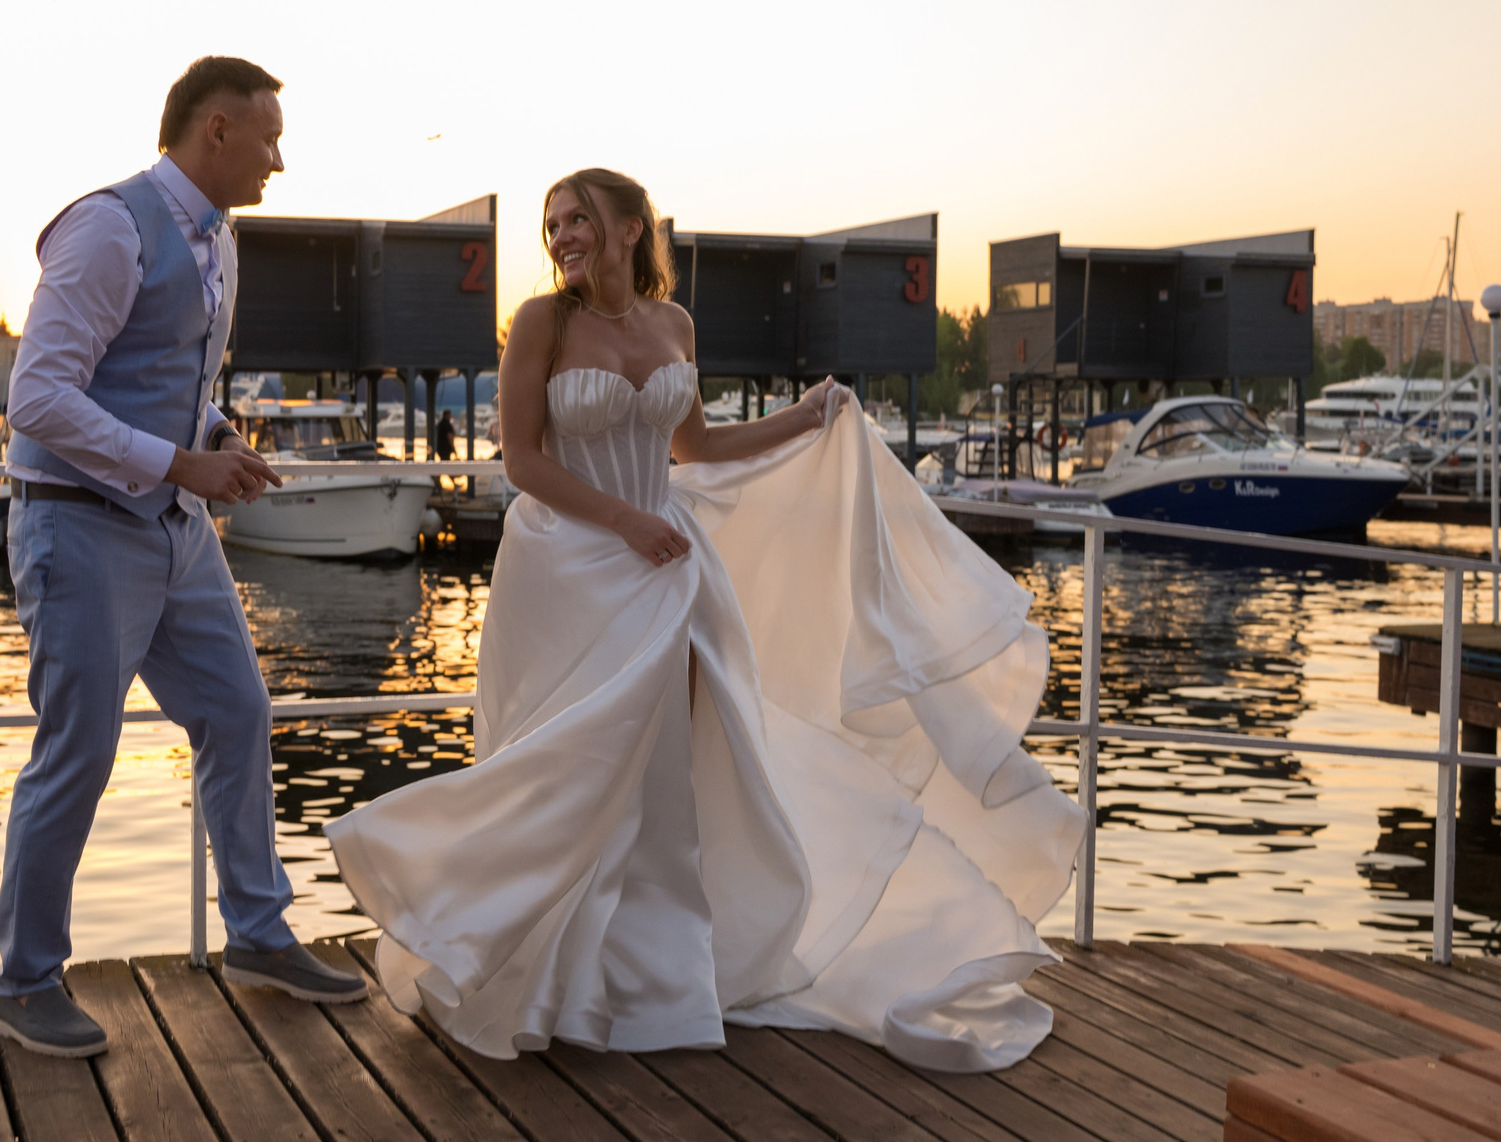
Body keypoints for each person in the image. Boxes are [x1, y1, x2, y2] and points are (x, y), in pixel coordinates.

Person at [325, 169, 1083, 1071]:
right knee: (574, 762)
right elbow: (523, 459)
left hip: (669, 563)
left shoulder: (674, 326)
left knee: (673, 766)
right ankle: (515, 947)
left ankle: (654, 982)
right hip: (569, 566)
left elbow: (697, 447)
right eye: (551, 223)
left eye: (578, 219)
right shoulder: (542, 323)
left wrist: (800, 419)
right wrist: (627, 520)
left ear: (629, 227)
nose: (561, 235)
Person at [0, 56, 368, 1059]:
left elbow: (163, 374)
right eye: (270, 138)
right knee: (79, 749)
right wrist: (176, 465)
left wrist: (212, 438)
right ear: (215, 132)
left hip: (171, 523)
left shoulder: (219, 241)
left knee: (238, 712)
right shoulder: (108, 228)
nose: (279, 160)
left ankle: (257, 933)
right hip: (77, 523)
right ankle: (24, 981)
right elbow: (35, 398)